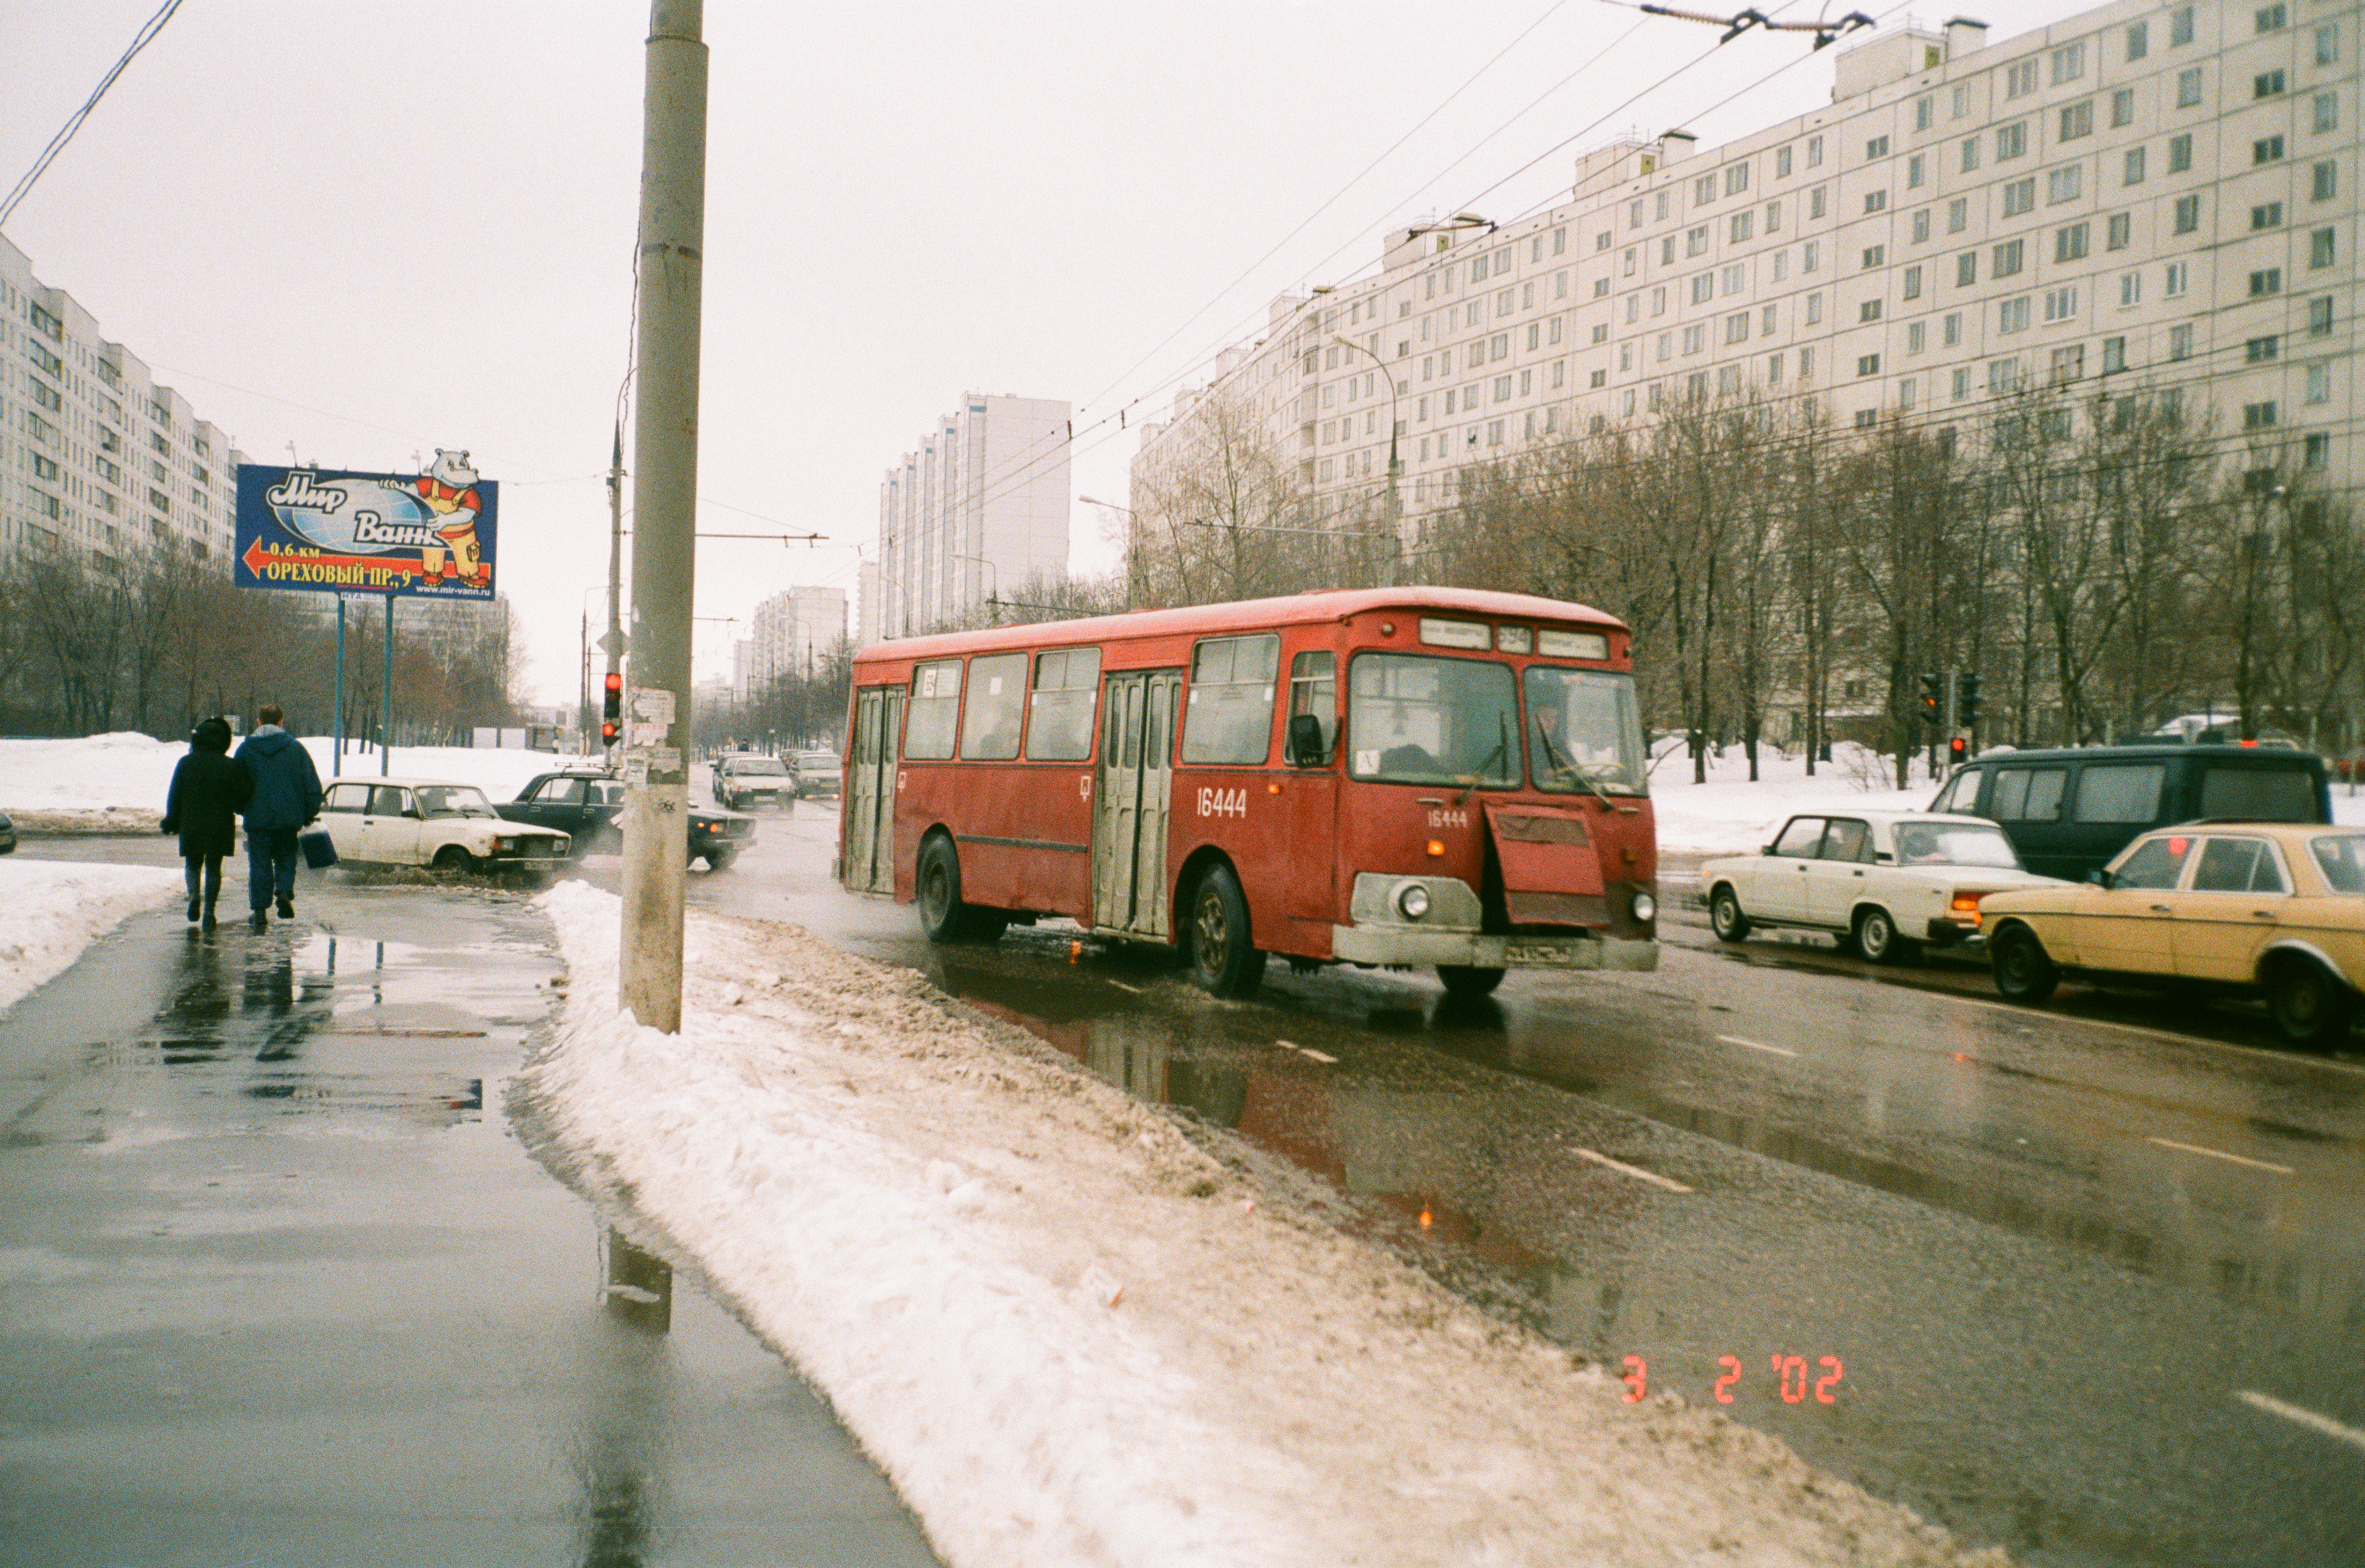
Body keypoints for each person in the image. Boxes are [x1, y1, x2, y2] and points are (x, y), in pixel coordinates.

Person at [235, 704, 323, 932]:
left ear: (259, 722)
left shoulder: (246, 750)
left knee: (260, 864)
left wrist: (244, 809)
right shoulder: (296, 749)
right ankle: (284, 892)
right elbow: (312, 786)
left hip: (258, 820)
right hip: (288, 819)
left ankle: (260, 912)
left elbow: (235, 784)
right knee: (286, 858)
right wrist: (308, 814)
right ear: (282, 722)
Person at [160, 717, 250, 932]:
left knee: (192, 864)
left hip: (191, 822)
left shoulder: (186, 763)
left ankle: (194, 897)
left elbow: (175, 796)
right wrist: (238, 807)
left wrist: (172, 819)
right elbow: (243, 795)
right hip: (220, 823)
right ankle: (210, 911)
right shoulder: (231, 765)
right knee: (214, 868)